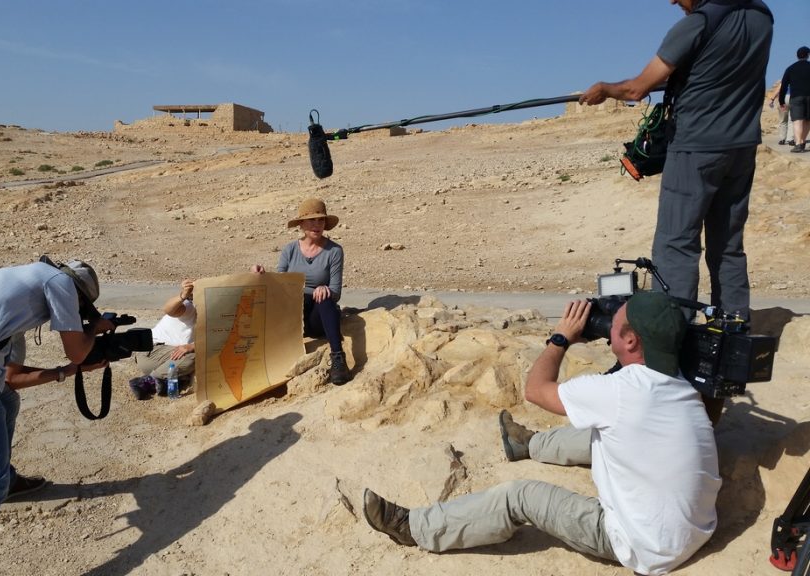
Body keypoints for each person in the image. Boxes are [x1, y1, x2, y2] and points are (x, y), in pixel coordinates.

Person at [363, 292, 721, 575]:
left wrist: (561, 338)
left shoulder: (620, 392)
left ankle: (414, 528)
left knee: (519, 496)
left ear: (629, 341)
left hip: (644, 547)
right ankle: (528, 444)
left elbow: (535, 389)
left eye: (614, 323)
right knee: (599, 435)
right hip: (695, 532)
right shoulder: (685, 386)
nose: (606, 327)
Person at [579, 0, 772, 322]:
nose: (672, 1)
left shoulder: (695, 24)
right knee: (728, 244)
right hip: (742, 146)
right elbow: (718, 69)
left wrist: (604, 89)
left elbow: (635, 89)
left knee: (676, 244)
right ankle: (733, 326)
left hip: (696, 147)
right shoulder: (761, 14)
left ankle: (672, 333)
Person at [0, 258, 115, 575]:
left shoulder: (20, 291)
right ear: (78, 295)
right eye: (81, 308)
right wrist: (94, 331)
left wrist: (65, 373)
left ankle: (8, 481)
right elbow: (77, 351)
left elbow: (10, 378)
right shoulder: (59, 284)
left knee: (6, 401)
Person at [251, 197, 351, 385]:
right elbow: (281, 285)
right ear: (301, 224)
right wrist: (262, 275)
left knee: (326, 296)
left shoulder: (335, 251)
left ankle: (338, 359)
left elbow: (336, 291)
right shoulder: (290, 249)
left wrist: (323, 290)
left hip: (319, 317)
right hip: (293, 318)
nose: (316, 224)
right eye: (311, 220)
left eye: (320, 220)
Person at [129, 278, 197, 399]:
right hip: (152, 352)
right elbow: (168, 309)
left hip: (163, 358)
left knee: (196, 351)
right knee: (197, 356)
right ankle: (147, 381)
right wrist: (183, 295)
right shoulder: (189, 307)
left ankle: (163, 381)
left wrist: (191, 346)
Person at [780, 46, 810, 153]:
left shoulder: (790, 68)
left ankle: (798, 144)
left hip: (796, 97)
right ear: (808, 55)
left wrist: (781, 101)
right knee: (807, 121)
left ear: (797, 56)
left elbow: (783, 86)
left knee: (797, 121)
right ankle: (802, 142)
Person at [768, 79, 796, 146]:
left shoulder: (784, 80)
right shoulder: (797, 80)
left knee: (783, 120)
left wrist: (772, 99)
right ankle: (790, 139)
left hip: (783, 99)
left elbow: (778, 90)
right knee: (791, 120)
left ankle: (782, 139)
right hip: (793, 99)